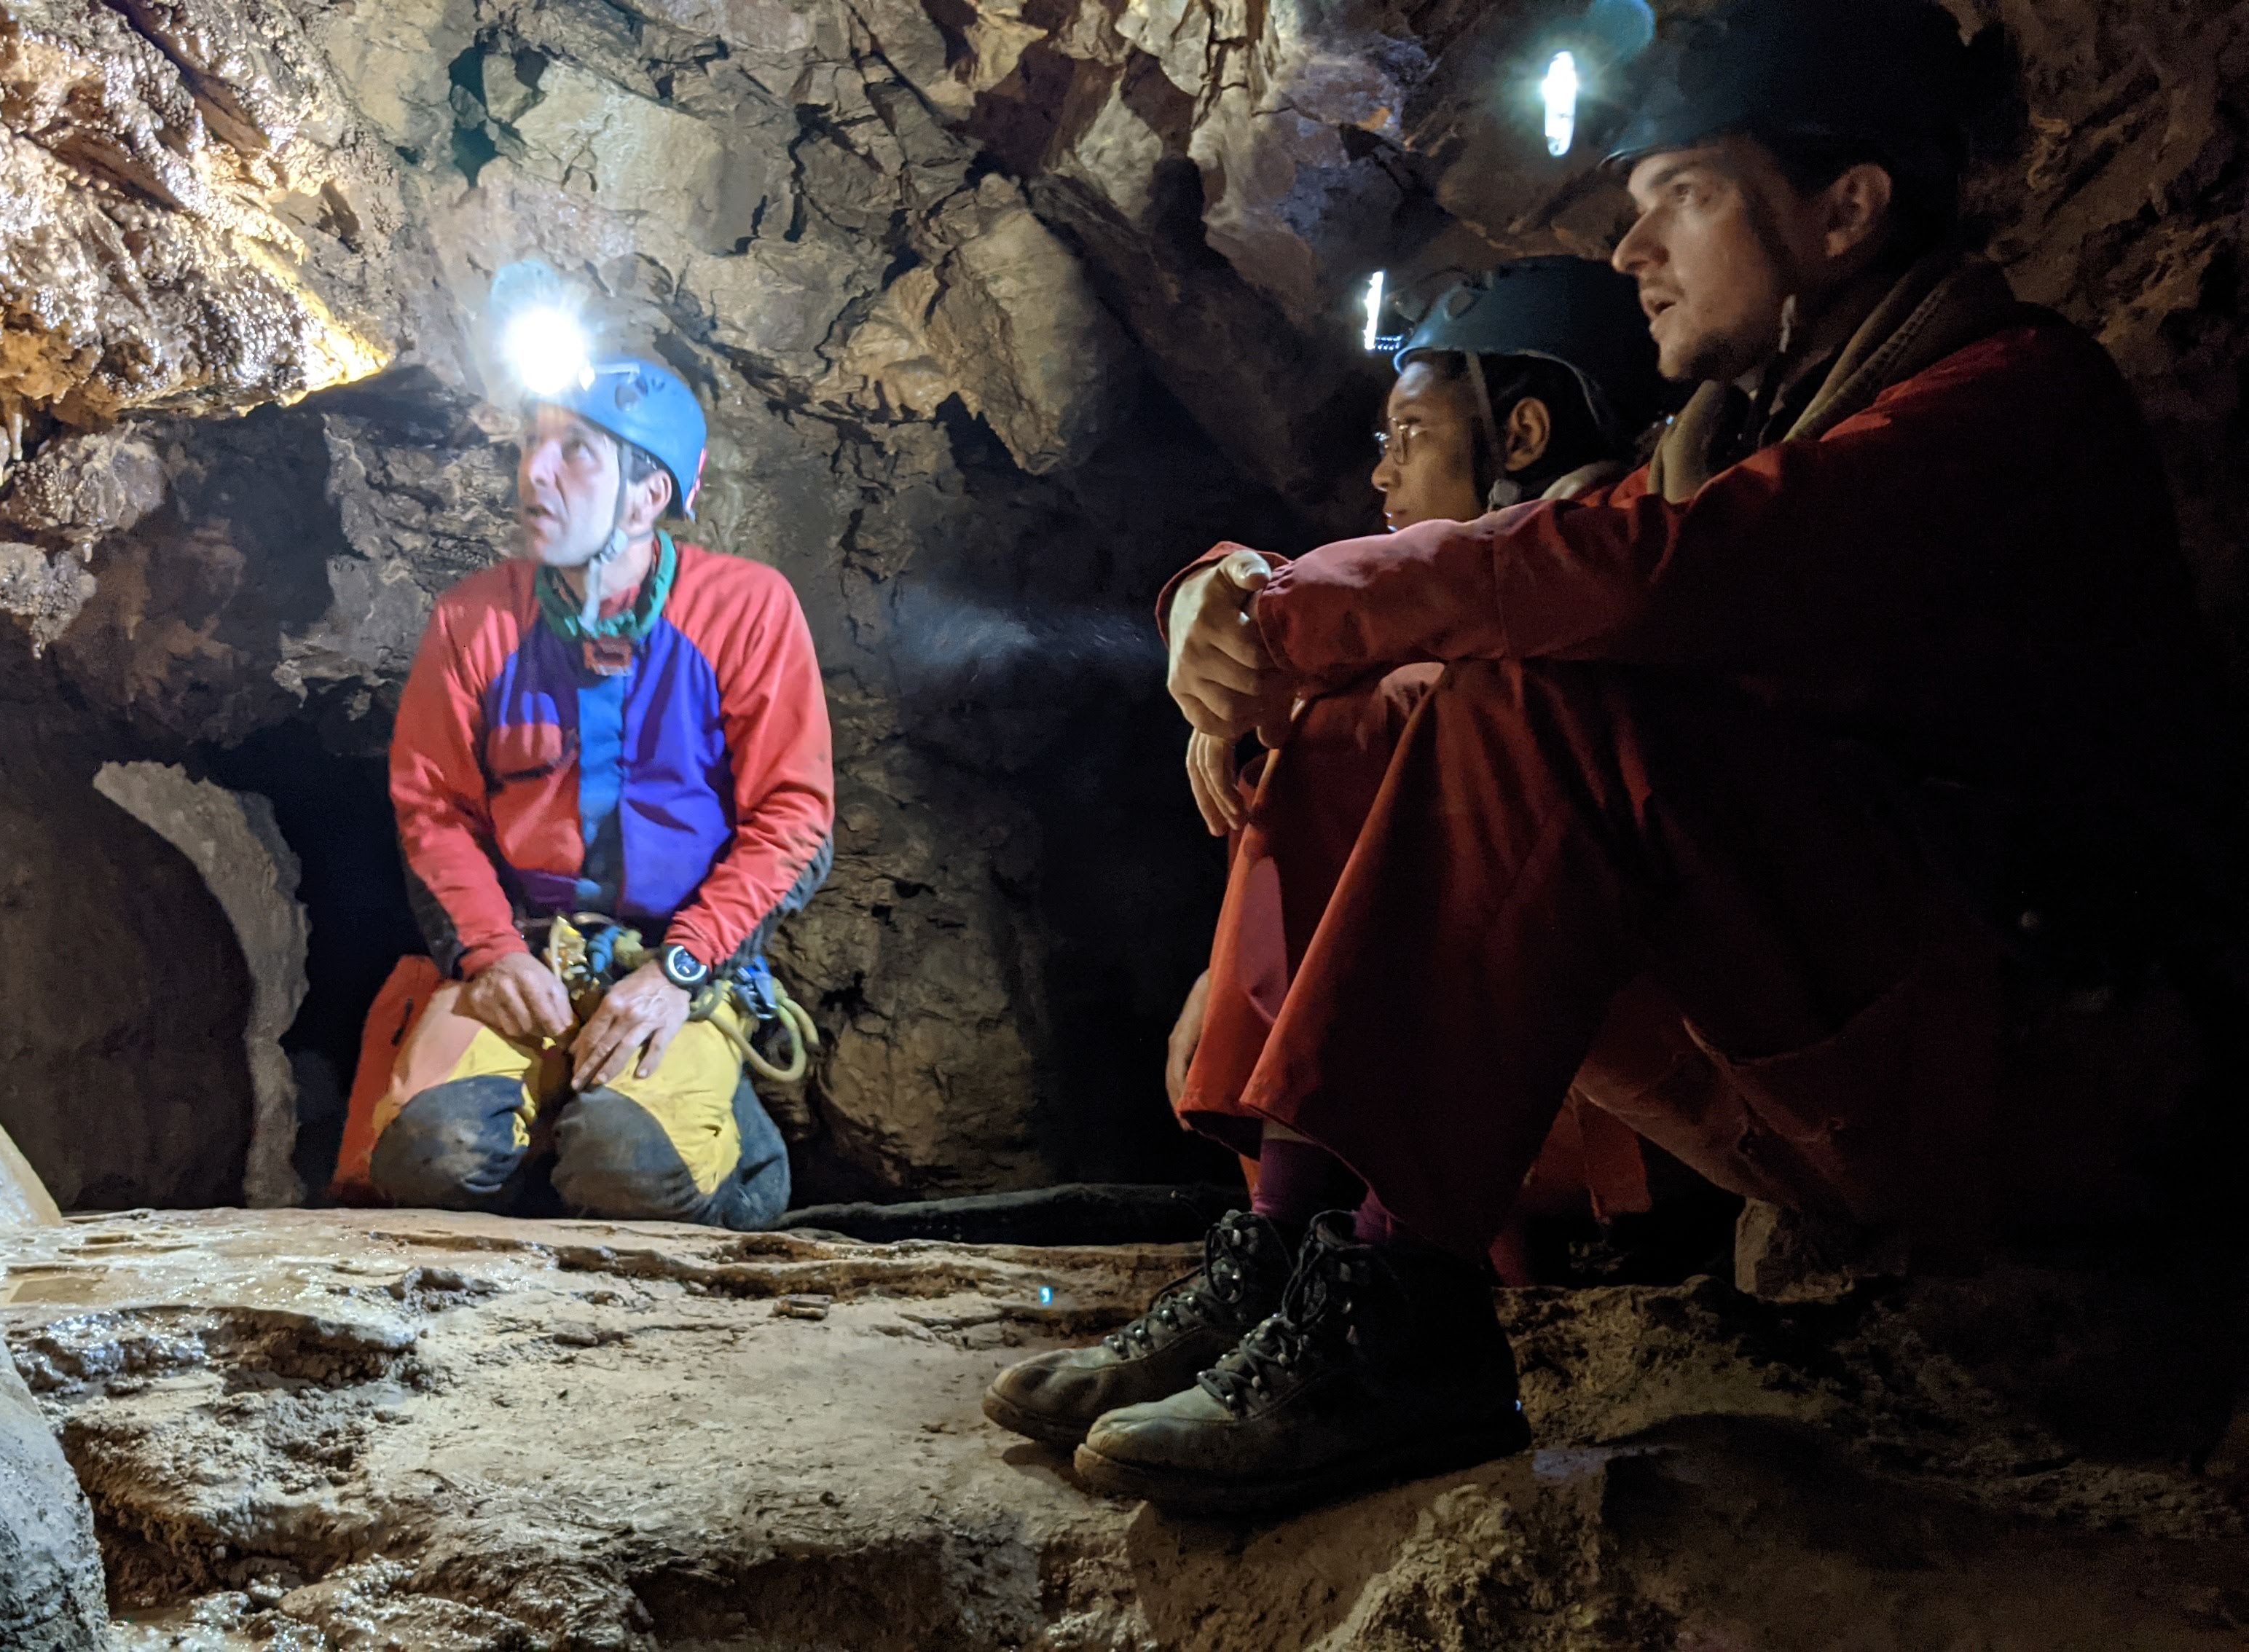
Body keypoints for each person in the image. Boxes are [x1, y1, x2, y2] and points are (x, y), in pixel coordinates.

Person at [1086, 0, 2234, 1516]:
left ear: (1847, 208)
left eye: (1680, 196)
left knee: (1537, 696)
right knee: (1372, 719)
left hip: (2035, 1078)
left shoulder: (2008, 409)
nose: (1631, 254)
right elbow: (1514, 576)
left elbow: (1649, 572)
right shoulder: (1741, 428)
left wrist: (1294, 613)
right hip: (1847, 1052)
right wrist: (1216, 603)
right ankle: (1294, 1246)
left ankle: (1407, 1308)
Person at [992, 258, 1666, 1450]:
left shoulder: (1639, 543)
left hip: (1635, 1098)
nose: (1380, 468)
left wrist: (1279, 632)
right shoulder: (1501, 598)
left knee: (1422, 704)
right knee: (1346, 724)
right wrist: (1249, 657)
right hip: (1520, 1092)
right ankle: (1280, 1247)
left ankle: (1383, 1290)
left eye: (1410, 430)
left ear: (1520, 428)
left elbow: (1505, 592)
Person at [361, 353, 833, 1230]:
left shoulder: (746, 610)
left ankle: (744, 1149)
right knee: (432, 1157)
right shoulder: (474, 620)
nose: (533, 473)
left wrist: (683, 968)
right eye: (532, 445)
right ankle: (537, 1139)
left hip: (675, 965)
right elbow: (434, 811)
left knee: (628, 1172)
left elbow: (794, 818)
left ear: (647, 494)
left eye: (574, 450)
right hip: (527, 959)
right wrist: (491, 953)